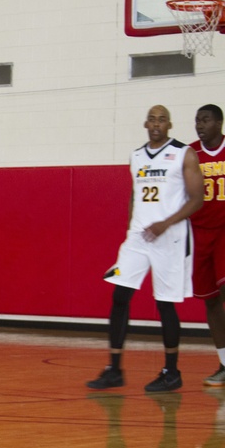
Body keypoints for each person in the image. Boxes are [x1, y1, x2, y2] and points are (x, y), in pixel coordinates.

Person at [87, 105, 203, 393]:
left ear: (170, 125)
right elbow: (134, 195)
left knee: (165, 303)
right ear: (145, 123)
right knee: (119, 296)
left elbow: (197, 198)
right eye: (152, 119)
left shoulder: (183, 153)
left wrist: (166, 222)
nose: (156, 123)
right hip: (139, 238)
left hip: (171, 237)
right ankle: (114, 369)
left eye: (162, 119)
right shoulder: (137, 156)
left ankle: (171, 372)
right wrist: (130, 229)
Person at [189, 105, 225, 387]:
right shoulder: (190, 154)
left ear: (220, 123)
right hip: (200, 234)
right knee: (211, 301)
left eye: (206, 120)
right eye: (197, 121)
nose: (200, 125)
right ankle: (224, 364)